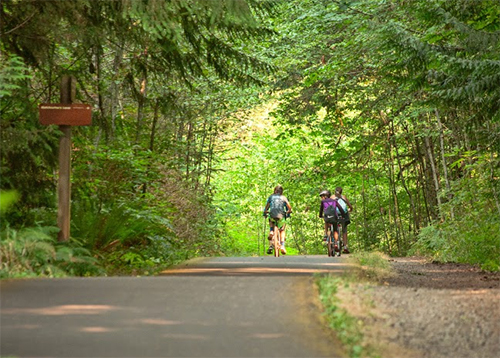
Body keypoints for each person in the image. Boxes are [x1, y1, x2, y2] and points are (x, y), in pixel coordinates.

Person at [263, 185, 292, 255]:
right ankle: (282, 245)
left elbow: (266, 206)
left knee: (271, 220)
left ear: (274, 191)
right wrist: (289, 212)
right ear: (281, 192)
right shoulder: (283, 197)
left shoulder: (271, 197)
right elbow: (289, 207)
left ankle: (271, 231)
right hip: (281, 215)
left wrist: (265, 212)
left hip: (272, 214)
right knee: (282, 230)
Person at [333, 186, 353, 253]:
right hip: (344, 215)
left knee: (335, 230)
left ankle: (335, 243)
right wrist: (350, 210)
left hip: (335, 215)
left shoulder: (332, 197)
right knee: (344, 231)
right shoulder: (344, 197)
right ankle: (345, 247)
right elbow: (350, 207)